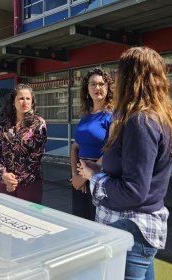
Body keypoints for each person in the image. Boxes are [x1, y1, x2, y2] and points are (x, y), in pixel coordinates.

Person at [77, 46, 172, 280]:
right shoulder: (154, 116)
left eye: (119, 73)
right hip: (137, 229)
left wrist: (93, 177)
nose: (115, 80)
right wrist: (99, 169)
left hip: (131, 229)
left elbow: (134, 191)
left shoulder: (140, 121)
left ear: (132, 78)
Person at [0, 84, 47, 204]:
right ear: (13, 101)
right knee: (5, 216)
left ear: (32, 101)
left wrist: (15, 181)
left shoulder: (38, 123)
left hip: (29, 183)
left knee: (27, 218)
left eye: (28, 98)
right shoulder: (4, 124)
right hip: (5, 181)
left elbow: (35, 156)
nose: (25, 102)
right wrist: (3, 174)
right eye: (21, 98)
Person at [70, 68, 113, 220]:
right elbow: (75, 146)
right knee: (81, 220)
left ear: (108, 88)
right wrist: (76, 174)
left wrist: (87, 175)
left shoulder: (112, 116)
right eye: (93, 84)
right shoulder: (85, 117)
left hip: (99, 175)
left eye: (102, 84)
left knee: (98, 224)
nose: (97, 88)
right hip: (80, 174)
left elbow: (111, 150)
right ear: (87, 89)